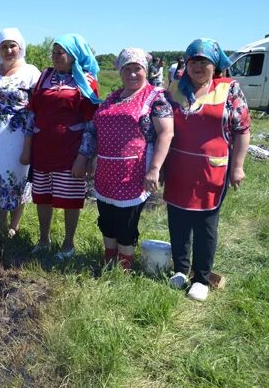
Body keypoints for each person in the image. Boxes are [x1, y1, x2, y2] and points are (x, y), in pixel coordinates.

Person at [164, 38, 251, 301]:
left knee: (205, 223)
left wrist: (238, 167)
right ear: (186, 64)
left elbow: (243, 129)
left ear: (215, 66)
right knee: (177, 219)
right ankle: (180, 269)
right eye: (193, 61)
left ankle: (201, 277)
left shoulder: (229, 89)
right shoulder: (175, 89)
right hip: (178, 165)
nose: (198, 66)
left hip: (211, 169)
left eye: (204, 61)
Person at [74, 48, 174, 270]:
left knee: (126, 220)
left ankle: (125, 266)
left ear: (145, 70)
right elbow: (94, 127)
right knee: (107, 216)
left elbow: (166, 134)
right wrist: (89, 156)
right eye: (126, 69)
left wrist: (155, 169)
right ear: (120, 72)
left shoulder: (156, 97)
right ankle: (109, 259)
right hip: (106, 169)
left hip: (135, 170)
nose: (132, 74)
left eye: (137, 68)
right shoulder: (113, 97)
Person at [28, 33, 101, 260]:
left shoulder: (86, 81)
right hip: (43, 147)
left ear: (74, 55)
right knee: (42, 195)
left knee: (70, 198)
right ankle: (43, 239)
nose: (56, 56)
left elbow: (91, 122)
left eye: (61, 52)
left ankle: (68, 244)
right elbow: (33, 112)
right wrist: (27, 146)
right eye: (54, 52)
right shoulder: (45, 76)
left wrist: (84, 156)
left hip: (70, 149)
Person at [0, 28, 41, 238]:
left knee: (17, 176)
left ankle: (14, 225)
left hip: (20, 134)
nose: (8, 50)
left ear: (20, 47)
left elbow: (37, 106)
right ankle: (0, 222)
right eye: (3, 46)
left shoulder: (31, 72)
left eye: (12, 45)